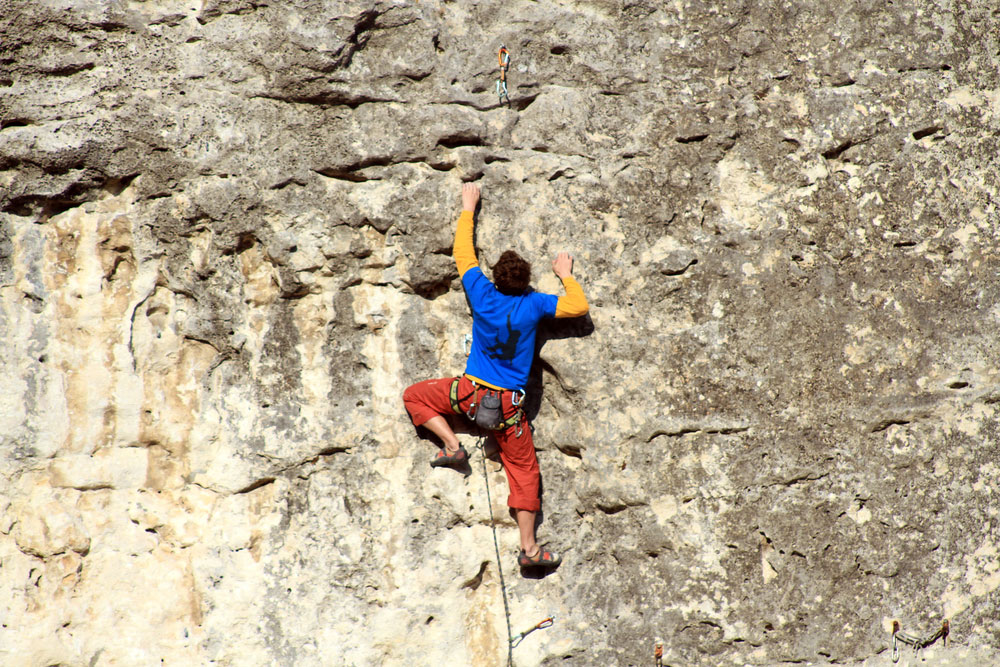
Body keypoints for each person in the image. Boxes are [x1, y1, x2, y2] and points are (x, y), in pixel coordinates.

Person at [402, 182, 589, 568]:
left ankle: (451, 445)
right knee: (523, 471)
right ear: (526, 282)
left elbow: (463, 253)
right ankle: (529, 550)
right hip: (508, 409)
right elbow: (578, 306)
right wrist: (565, 274)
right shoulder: (534, 304)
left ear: (496, 278)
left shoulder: (482, 293)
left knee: (414, 395)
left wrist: (468, 208)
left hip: (468, 394)